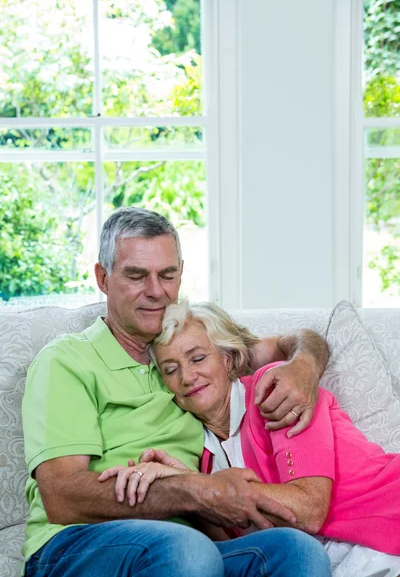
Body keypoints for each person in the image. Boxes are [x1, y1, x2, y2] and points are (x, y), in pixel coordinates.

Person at [22, 206, 331, 577]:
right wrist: (198, 491)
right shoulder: (67, 360)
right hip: (77, 545)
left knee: (295, 550)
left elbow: (298, 340)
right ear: (103, 278)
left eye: (167, 275)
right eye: (137, 275)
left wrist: (305, 366)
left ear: (181, 274)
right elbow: (63, 497)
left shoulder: (186, 356)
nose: (156, 292)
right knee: (187, 549)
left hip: (187, 548)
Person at [102, 299, 400, 577]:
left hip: (388, 521)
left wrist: (199, 487)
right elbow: (241, 548)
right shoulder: (203, 457)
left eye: (198, 358)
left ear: (228, 359)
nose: (187, 377)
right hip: (333, 559)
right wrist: (184, 487)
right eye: (171, 369)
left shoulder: (275, 390)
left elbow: (309, 509)